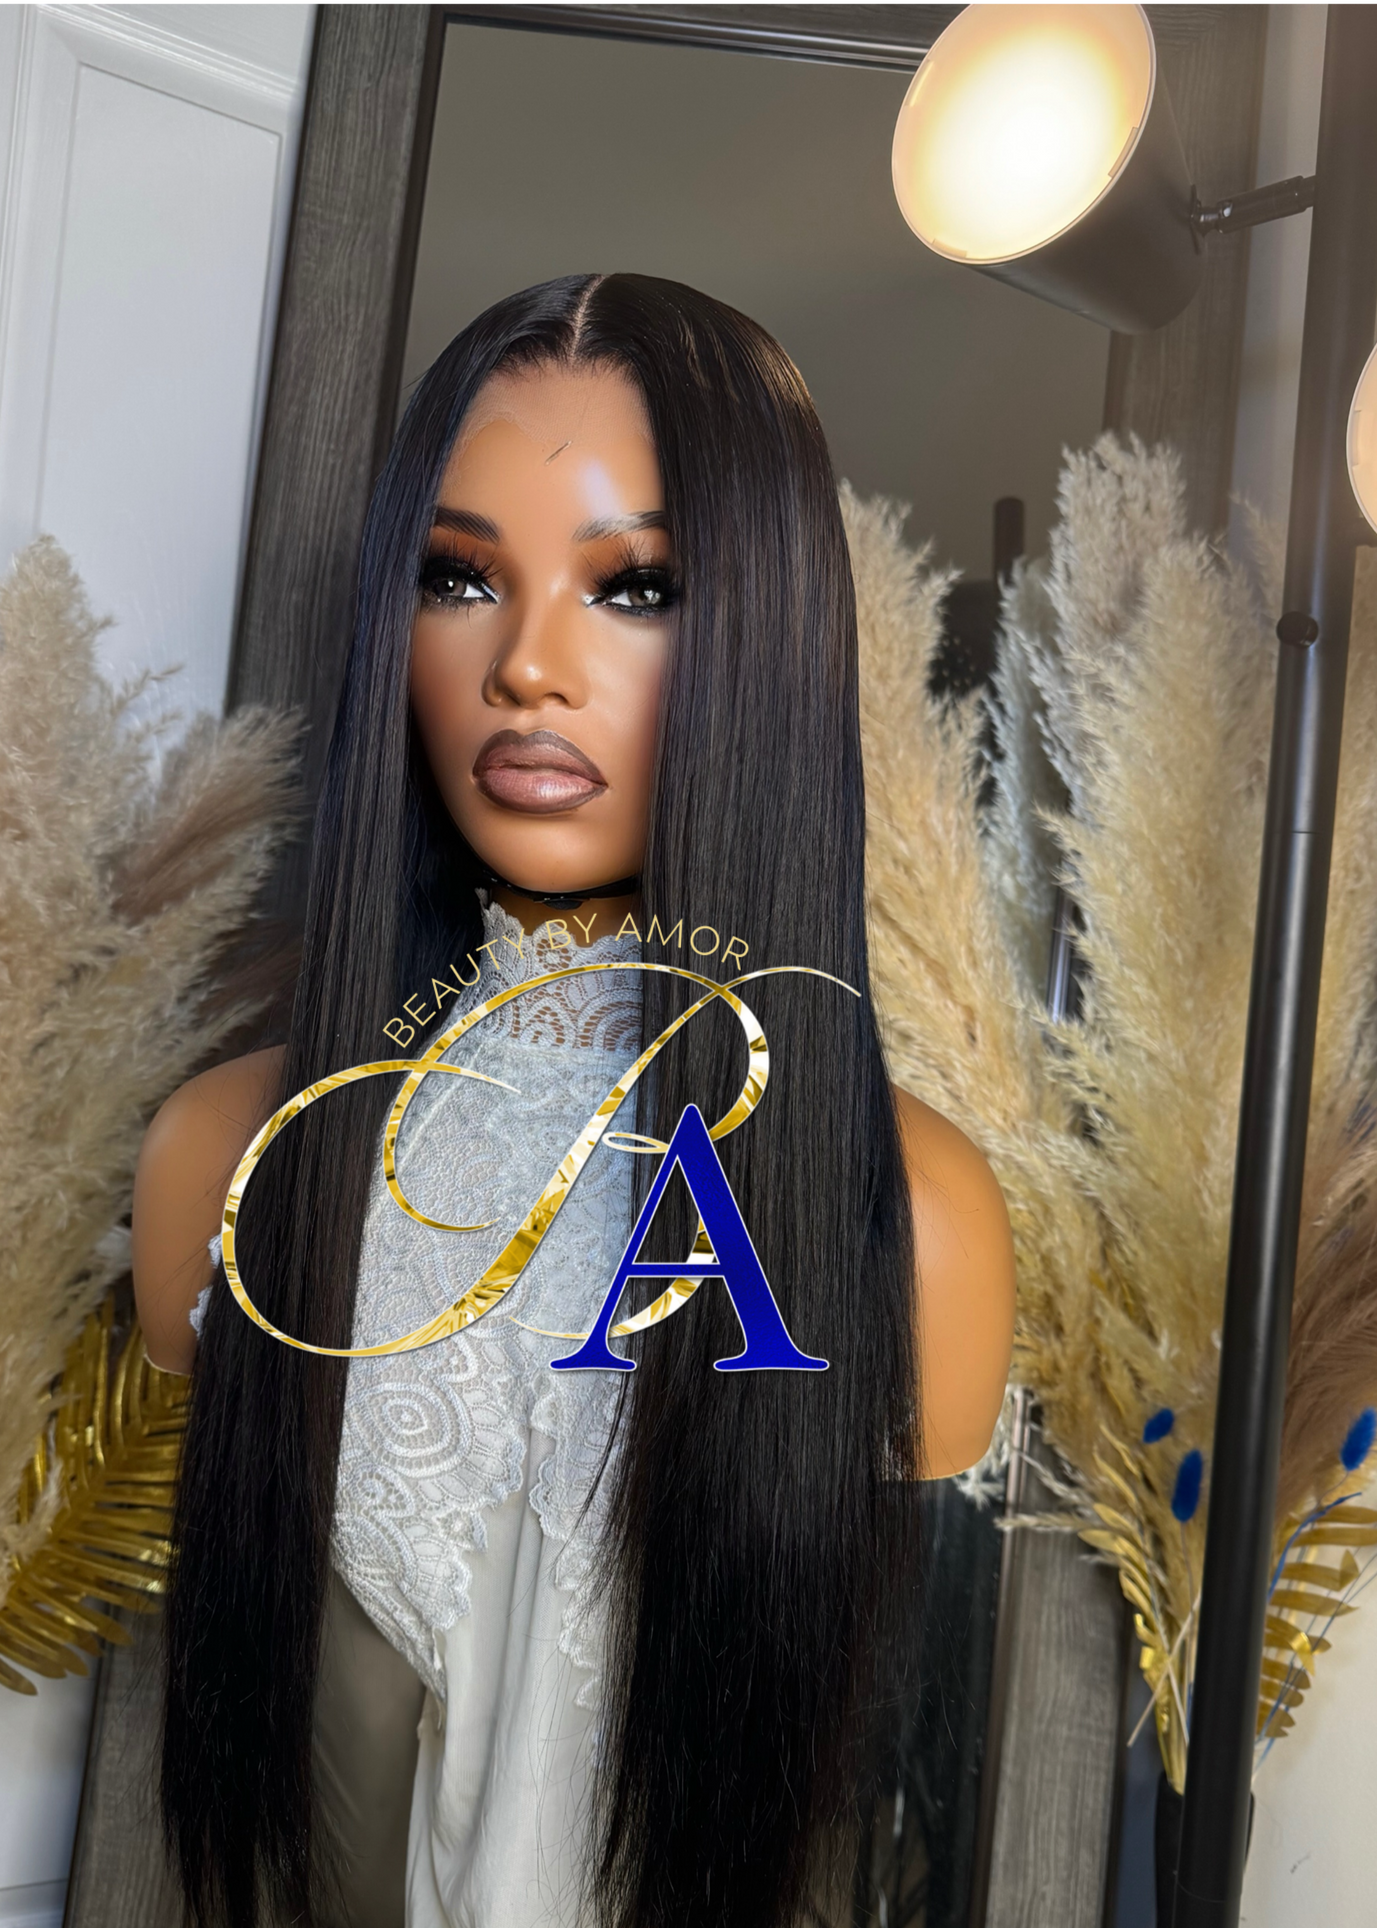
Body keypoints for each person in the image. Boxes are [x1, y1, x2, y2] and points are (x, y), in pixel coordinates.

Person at [132, 274, 1015, 1928]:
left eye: (637, 588)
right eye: (461, 576)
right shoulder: (228, 1156)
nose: (526, 666)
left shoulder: (909, 1217)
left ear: (766, 641)